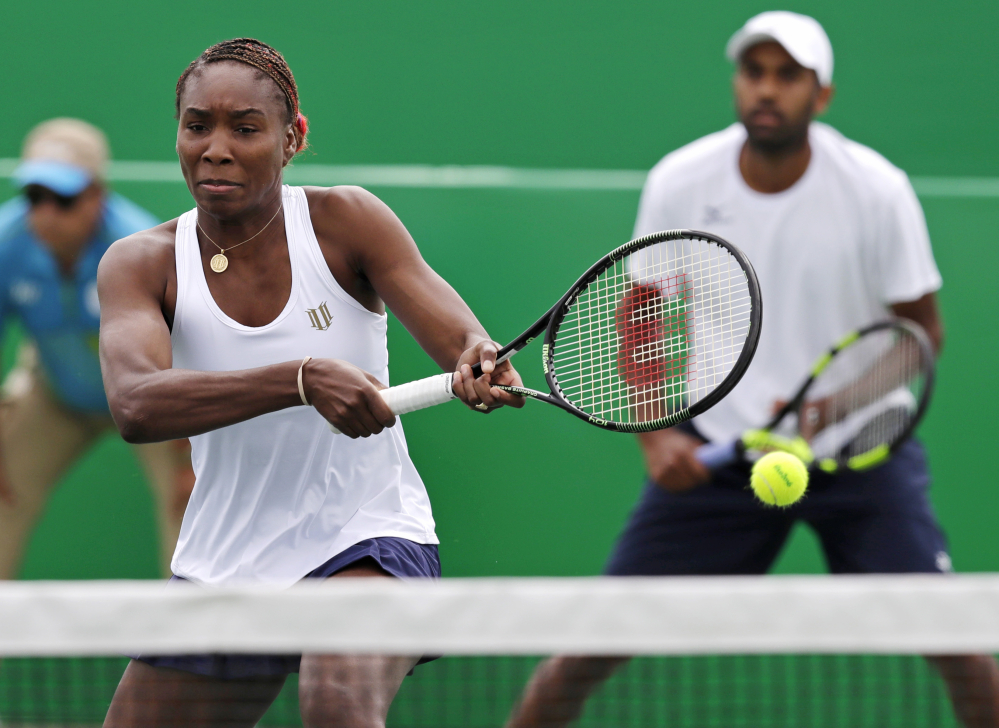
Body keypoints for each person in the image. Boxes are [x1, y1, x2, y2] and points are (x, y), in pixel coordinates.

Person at [505, 12, 999, 728]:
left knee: (956, 642)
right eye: (753, 72)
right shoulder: (681, 179)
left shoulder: (875, 190)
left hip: (857, 453)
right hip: (722, 450)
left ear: (819, 95)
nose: (766, 90)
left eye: (787, 76)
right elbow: (641, 312)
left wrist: (832, 408)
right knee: (590, 644)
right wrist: (656, 436)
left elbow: (918, 334)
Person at [98, 39, 523, 728]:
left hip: (364, 535)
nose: (215, 148)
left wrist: (479, 359)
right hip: (224, 558)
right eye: (197, 124)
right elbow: (136, 404)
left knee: (335, 704)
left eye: (245, 127)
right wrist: (300, 378)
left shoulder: (345, 221)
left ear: (293, 137)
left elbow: (462, 342)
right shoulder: (140, 264)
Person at [0, 118, 194, 579]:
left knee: (193, 510)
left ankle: (189, 650)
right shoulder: (7, 243)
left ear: (97, 195)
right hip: (56, 392)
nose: (46, 213)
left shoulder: (139, 245)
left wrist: (190, 461)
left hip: (148, 395)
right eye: (34, 197)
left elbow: (184, 352)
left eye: (63, 199)